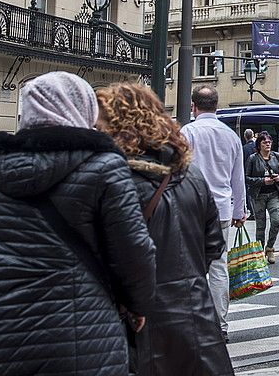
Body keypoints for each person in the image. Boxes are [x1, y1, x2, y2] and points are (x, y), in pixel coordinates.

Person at [0, 72, 156, 375]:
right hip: (78, 339)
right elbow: (135, 254)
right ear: (84, 109)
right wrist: (137, 304)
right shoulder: (104, 167)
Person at [96, 83, 234, 376]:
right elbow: (213, 244)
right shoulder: (192, 176)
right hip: (196, 317)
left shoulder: (114, 180)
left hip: (139, 325)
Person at [181, 85, 247, 342]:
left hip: (192, 207)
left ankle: (194, 322)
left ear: (193, 107)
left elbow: (179, 171)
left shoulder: (188, 132)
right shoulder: (230, 136)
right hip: (221, 209)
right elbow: (237, 177)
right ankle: (220, 325)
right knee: (219, 267)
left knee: (191, 266)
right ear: (216, 106)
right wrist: (239, 210)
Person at [246, 132, 279, 265]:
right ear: (259, 145)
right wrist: (263, 181)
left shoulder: (277, 156)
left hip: (274, 194)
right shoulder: (252, 158)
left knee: (276, 221)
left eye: (269, 142)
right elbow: (247, 178)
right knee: (260, 226)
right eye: (264, 142)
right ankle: (259, 253)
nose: (267, 144)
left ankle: (270, 248)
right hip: (258, 196)